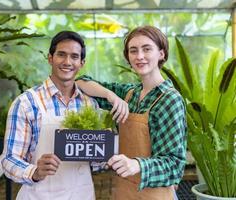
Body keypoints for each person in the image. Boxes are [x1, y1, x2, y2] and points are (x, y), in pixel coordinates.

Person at [76, 25, 187, 200]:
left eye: (147, 49)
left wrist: (137, 165)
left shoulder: (169, 100)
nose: (139, 56)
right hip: (124, 190)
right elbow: (81, 82)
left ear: (161, 54)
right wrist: (109, 95)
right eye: (133, 50)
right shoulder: (129, 94)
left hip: (155, 194)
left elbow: (174, 165)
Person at [1, 31, 99, 200]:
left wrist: (108, 155)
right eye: (61, 54)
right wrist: (35, 171)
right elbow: (9, 160)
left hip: (82, 194)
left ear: (81, 63)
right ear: (50, 58)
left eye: (74, 57)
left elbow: (96, 162)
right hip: (40, 195)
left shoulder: (90, 105)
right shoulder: (26, 103)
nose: (67, 62)